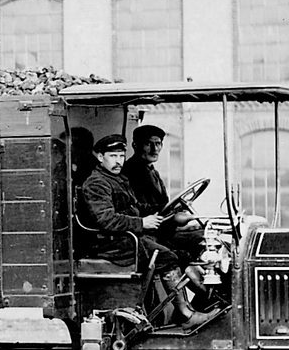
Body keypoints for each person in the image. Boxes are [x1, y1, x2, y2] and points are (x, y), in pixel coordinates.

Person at [77, 134, 219, 329]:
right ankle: (185, 315)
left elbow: (136, 208)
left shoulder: (117, 179)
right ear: (100, 157)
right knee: (167, 257)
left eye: (121, 156)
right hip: (111, 243)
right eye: (113, 156)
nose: (119, 161)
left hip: (125, 238)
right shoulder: (96, 183)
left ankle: (208, 298)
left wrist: (170, 216)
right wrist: (142, 223)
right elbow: (106, 220)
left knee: (180, 254)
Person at [126, 123, 206, 262]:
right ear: (135, 145)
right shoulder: (131, 171)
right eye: (148, 144)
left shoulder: (151, 171)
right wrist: (173, 214)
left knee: (205, 235)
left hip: (161, 228)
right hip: (148, 232)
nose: (154, 149)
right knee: (199, 240)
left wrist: (178, 210)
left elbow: (163, 204)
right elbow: (138, 208)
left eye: (158, 144)